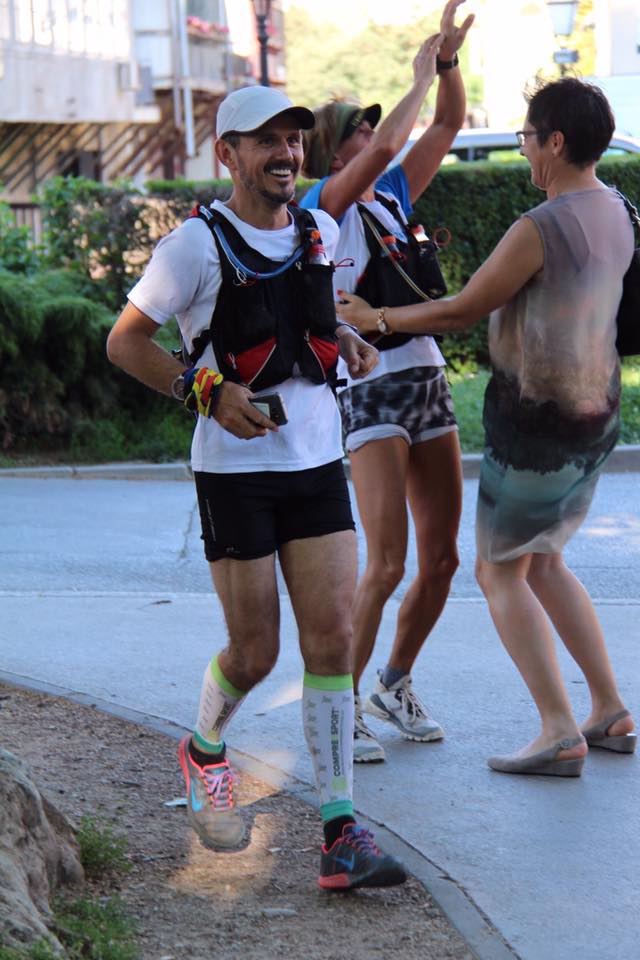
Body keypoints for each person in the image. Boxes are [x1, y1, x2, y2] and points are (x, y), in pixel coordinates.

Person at [106, 84, 408, 890]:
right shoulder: (193, 248)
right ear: (228, 154)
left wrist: (345, 340)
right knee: (255, 651)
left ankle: (340, 829)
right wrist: (204, 391)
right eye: (266, 140)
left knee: (333, 638)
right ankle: (205, 748)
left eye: (294, 140)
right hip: (234, 476)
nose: (286, 153)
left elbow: (308, 317)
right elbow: (125, 343)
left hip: (317, 463)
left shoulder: (319, 230)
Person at [336, 76, 637, 775]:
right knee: (545, 560)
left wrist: (376, 317)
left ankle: (558, 729)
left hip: (539, 423)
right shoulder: (620, 209)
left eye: (527, 137)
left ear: (555, 142)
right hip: (596, 413)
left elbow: (462, 308)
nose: (524, 148)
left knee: (498, 569)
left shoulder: (541, 226)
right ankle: (609, 710)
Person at [300, 0, 474, 763]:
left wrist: (448, 67)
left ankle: (392, 683)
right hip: (368, 390)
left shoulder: (393, 195)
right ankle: (342, 706)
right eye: (356, 130)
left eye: (371, 127)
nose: (371, 135)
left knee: (443, 560)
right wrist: (418, 75)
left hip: (425, 376)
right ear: (330, 152)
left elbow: (448, 125)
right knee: (388, 562)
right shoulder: (323, 205)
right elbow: (398, 138)